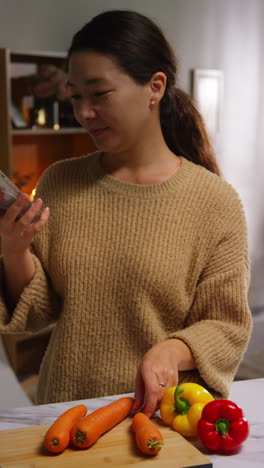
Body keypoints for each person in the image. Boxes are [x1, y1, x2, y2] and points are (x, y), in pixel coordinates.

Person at [0, 10, 252, 416]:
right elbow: (40, 309)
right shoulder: (59, 182)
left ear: (154, 87)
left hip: (161, 420)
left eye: (99, 94)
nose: (84, 112)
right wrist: (15, 251)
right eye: (75, 95)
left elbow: (227, 326)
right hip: (66, 412)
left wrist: (172, 351)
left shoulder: (215, 203)